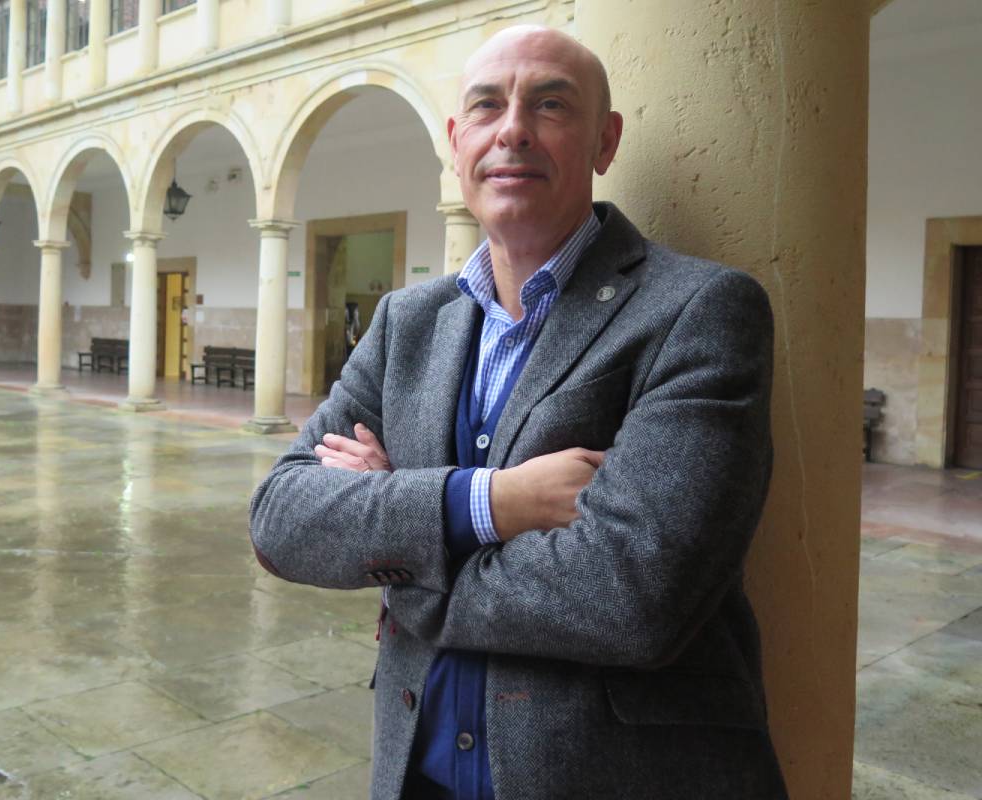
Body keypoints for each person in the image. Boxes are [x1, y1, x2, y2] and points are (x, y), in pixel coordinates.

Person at [249, 23, 788, 800]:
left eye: (550, 104)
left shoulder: (698, 311)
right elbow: (281, 518)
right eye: (487, 105)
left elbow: (635, 597)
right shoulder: (408, 324)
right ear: (455, 140)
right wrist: (493, 502)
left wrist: (401, 565)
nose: (512, 129)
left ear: (605, 141)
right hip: (419, 776)